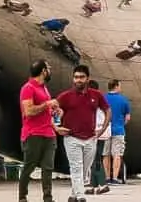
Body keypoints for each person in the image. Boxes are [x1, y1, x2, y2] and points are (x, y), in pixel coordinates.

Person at [56, 64, 109, 202]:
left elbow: (107, 110)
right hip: (72, 138)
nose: (78, 80)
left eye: (81, 77)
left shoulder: (96, 95)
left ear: (87, 78)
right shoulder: (66, 96)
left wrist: (103, 128)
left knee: (85, 168)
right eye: (76, 77)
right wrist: (56, 127)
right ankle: (80, 196)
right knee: (76, 167)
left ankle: (73, 195)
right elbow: (52, 110)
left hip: (91, 138)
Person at [17, 59, 61, 202]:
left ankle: (48, 198)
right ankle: (22, 196)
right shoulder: (28, 88)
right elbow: (28, 111)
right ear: (43, 71)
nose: (50, 70)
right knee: (29, 166)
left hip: (49, 133)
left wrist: (54, 111)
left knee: (48, 167)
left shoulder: (44, 88)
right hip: (33, 134)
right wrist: (47, 104)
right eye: (48, 68)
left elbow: (45, 110)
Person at [102, 80, 131, 188]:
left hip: (105, 130)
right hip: (118, 130)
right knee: (117, 155)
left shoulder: (103, 98)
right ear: (116, 86)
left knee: (105, 154)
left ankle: (106, 178)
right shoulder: (123, 100)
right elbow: (127, 118)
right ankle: (114, 178)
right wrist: (121, 124)